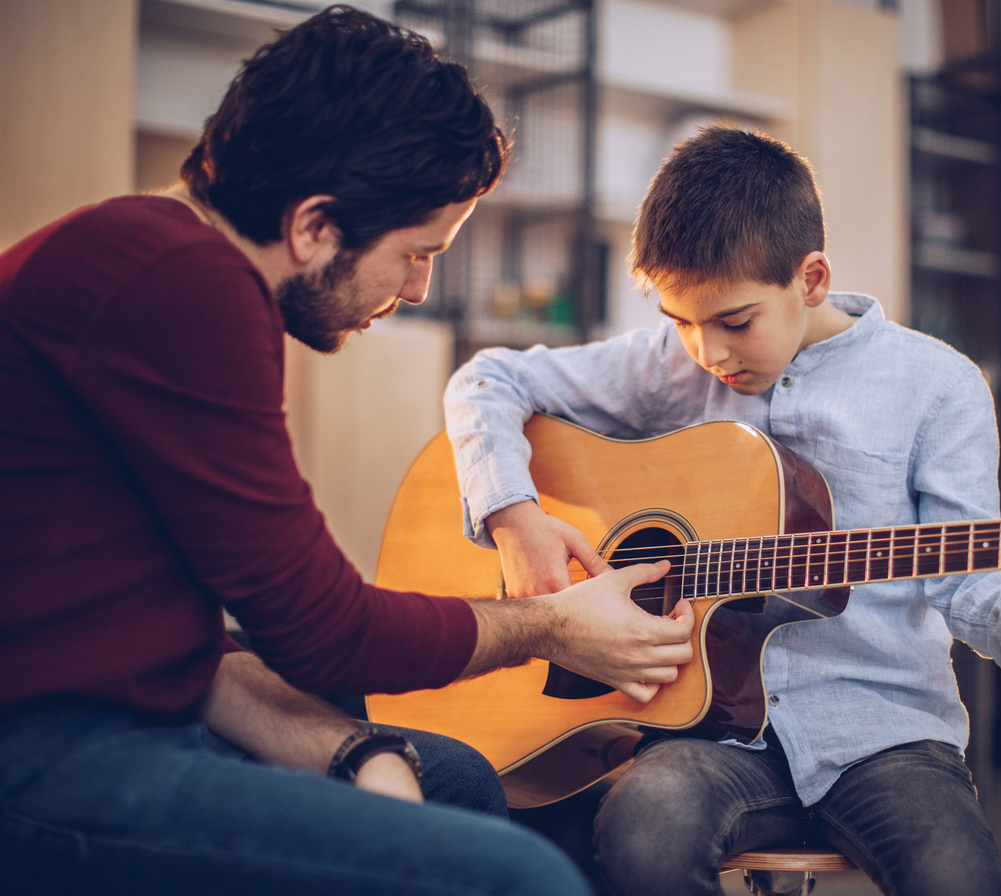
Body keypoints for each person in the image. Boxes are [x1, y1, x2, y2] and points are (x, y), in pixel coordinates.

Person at [0, 7, 693, 895]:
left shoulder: (156, 259)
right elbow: (326, 632)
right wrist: (556, 627)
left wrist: (356, 747)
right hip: (44, 755)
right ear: (315, 228)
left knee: (457, 777)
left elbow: (196, 648)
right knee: (525, 877)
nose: (418, 288)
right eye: (415, 253)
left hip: (133, 714)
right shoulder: (182, 284)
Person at [442, 126, 1001, 896]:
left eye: (735, 322)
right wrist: (514, 517)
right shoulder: (668, 364)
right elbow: (488, 379)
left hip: (885, 732)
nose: (707, 353)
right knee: (645, 829)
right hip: (708, 734)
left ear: (813, 278)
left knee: (958, 879)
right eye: (680, 321)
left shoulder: (938, 387)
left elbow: (967, 590)